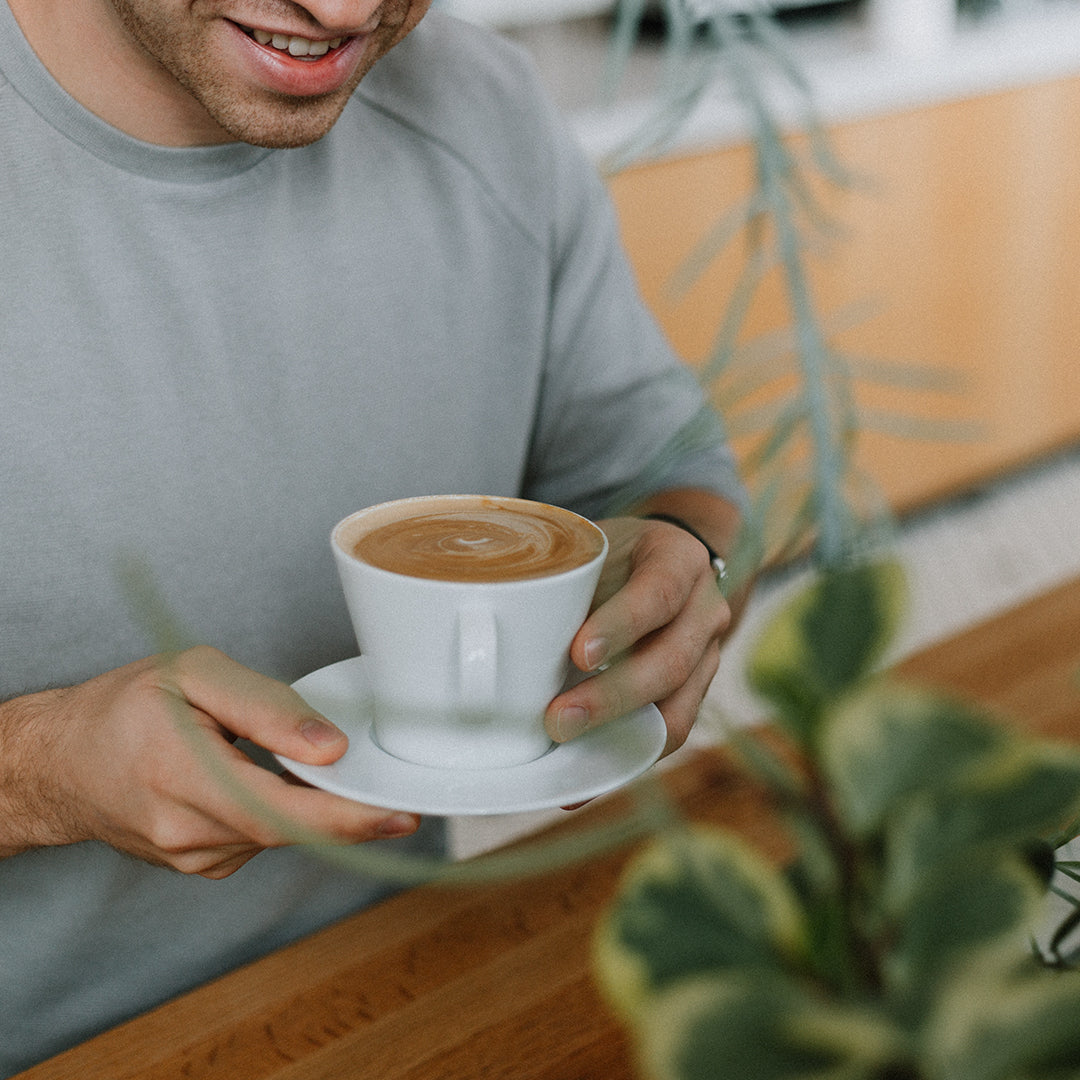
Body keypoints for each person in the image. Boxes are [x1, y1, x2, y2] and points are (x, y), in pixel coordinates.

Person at [0, 0, 746, 1073]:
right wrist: (35, 773)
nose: (347, 10)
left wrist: (689, 562)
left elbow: (681, 476)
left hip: (394, 998)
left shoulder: (482, 108)